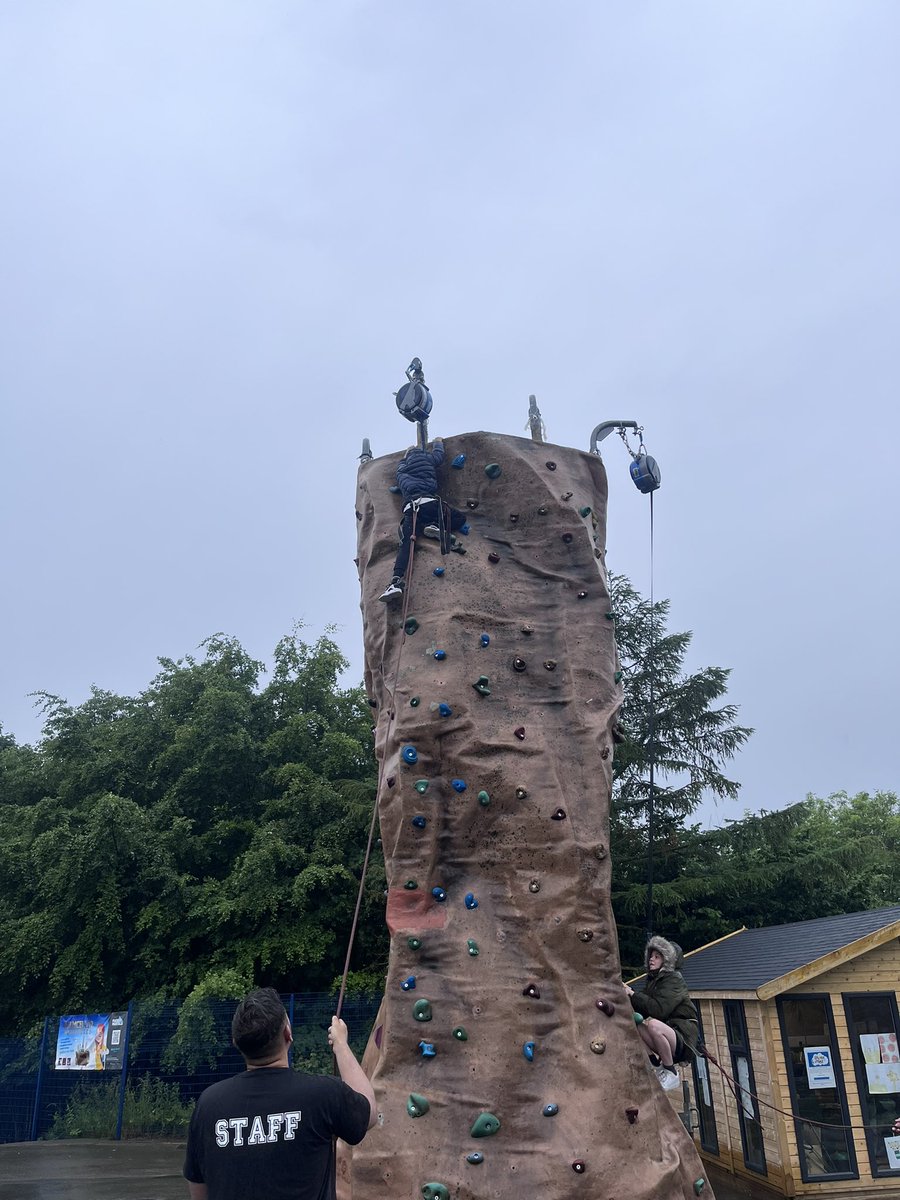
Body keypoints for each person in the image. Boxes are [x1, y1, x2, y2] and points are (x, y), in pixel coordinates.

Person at [183, 988, 375, 1200]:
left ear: (236, 1042)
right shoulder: (323, 1094)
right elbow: (369, 1112)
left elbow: (199, 1193)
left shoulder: (208, 1106)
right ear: (287, 1034)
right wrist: (341, 1046)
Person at [378, 438, 467, 603]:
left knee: (406, 544)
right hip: (429, 503)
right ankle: (434, 525)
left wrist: (405, 456)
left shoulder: (401, 470)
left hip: (410, 510)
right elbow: (439, 456)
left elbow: (401, 467)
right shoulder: (428, 459)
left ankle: (395, 581)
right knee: (459, 518)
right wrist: (438, 442)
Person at [625, 935, 699, 1092]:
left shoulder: (674, 981)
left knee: (653, 1025)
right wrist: (624, 996)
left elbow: (659, 1010)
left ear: (667, 961)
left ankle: (671, 1072)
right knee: (635, 1025)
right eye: (651, 956)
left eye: (657, 957)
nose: (651, 959)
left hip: (683, 1037)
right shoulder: (654, 981)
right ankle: (656, 1066)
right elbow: (642, 1008)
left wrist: (632, 994)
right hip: (668, 1038)